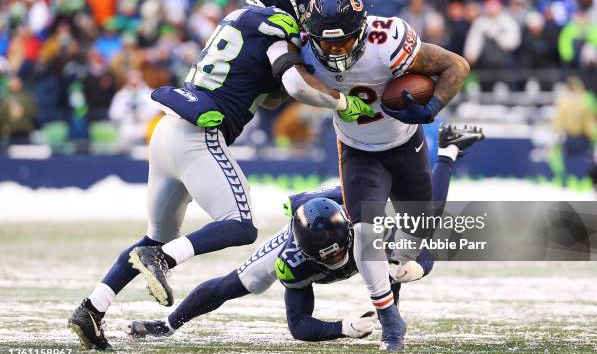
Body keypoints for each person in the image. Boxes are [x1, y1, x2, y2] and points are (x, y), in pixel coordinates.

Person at [68, 0, 373, 351]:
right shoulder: (275, 25)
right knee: (241, 226)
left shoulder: (238, 20)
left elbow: (269, 92)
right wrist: (342, 102)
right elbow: (294, 85)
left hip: (166, 133)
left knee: (155, 235)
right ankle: (163, 258)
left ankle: (92, 308)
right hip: (199, 134)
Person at [126, 125, 485, 342]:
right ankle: (167, 324)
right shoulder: (293, 257)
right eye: (325, 257)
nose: (336, 261)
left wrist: (415, 268)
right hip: (311, 218)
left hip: (352, 205)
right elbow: (298, 325)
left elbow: (426, 251)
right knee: (235, 283)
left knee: (421, 220)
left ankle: (449, 149)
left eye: (336, 252)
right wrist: (340, 328)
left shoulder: (370, 225)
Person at [301, 0, 471, 350]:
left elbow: (456, 65)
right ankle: (390, 319)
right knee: (365, 233)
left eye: (342, 41)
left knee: (415, 234)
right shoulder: (301, 49)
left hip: (405, 143)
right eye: (325, 43)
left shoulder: (387, 40)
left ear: (361, 30)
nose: (333, 51)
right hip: (357, 149)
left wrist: (432, 108)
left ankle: (449, 155)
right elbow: (280, 87)